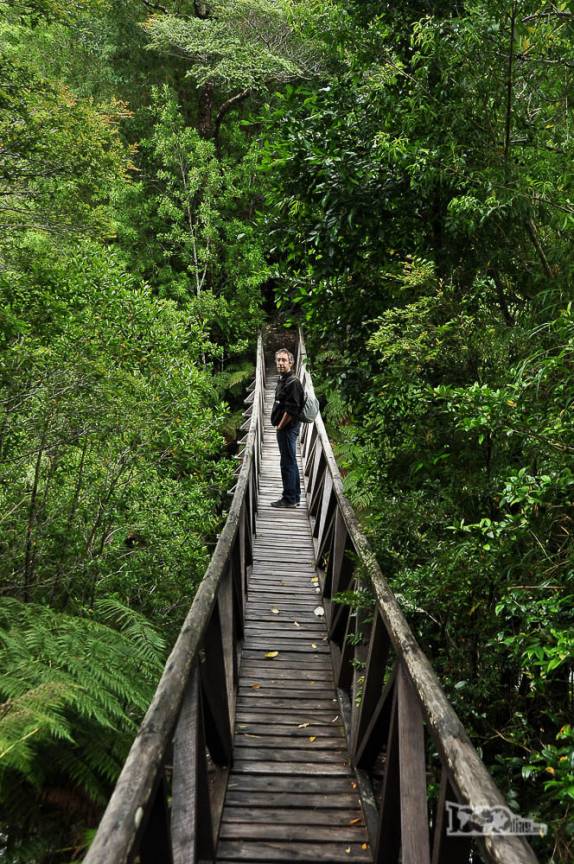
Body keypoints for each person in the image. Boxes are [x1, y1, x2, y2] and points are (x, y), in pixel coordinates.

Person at [270, 348, 305, 508]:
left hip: (287, 428)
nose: (281, 363)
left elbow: (292, 410)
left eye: (284, 360)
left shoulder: (294, 382)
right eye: (278, 360)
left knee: (287, 463)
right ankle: (294, 497)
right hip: (285, 428)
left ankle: (289, 498)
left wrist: (280, 426)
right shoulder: (283, 379)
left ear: (291, 362)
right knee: (290, 461)